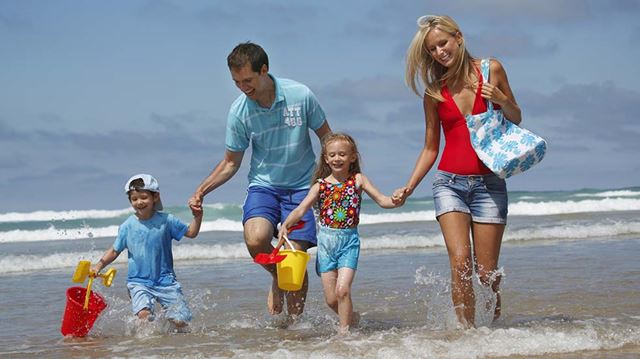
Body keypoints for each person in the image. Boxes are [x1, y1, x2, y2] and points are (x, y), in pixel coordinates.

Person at [393, 15, 521, 328]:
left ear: (458, 37)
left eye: (443, 43)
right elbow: (430, 148)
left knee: (486, 274)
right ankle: (467, 336)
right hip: (449, 183)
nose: (439, 52)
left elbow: (516, 117)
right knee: (460, 263)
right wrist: (408, 187)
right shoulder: (434, 93)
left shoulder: (492, 69)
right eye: (432, 49)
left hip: (490, 184)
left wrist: (501, 99)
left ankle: (491, 333)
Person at [188, 42, 331, 317]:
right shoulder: (239, 111)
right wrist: (202, 190)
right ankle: (277, 277)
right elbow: (231, 162)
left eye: (248, 80)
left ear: (264, 70)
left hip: (302, 186)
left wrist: (333, 177)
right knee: (256, 240)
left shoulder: (300, 95)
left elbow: (327, 137)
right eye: (236, 82)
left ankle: (293, 331)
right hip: (264, 186)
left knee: (295, 262)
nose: (243, 87)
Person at [277, 133, 397, 333]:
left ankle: (345, 334)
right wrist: (285, 225)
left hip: (348, 243)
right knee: (332, 299)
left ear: (353, 157)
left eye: (342, 154)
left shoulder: (358, 180)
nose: (337, 158)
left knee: (343, 291)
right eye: (332, 155)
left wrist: (397, 199)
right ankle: (353, 318)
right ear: (325, 158)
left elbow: (383, 200)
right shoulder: (320, 186)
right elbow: (301, 209)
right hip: (325, 245)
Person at [91, 174, 203, 329]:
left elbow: (191, 233)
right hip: (138, 282)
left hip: (166, 281)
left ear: (155, 197)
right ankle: (147, 347)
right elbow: (115, 250)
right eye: (134, 199)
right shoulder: (127, 226)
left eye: (143, 197)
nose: (139, 202)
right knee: (144, 316)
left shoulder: (167, 221)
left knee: (180, 322)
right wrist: (99, 265)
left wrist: (198, 216)